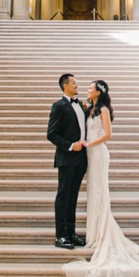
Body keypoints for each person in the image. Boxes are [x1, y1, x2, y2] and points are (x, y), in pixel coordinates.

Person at [62, 81, 139, 277]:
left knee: (99, 192)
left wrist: (89, 144)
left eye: (90, 87)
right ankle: (94, 234)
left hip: (99, 154)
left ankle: (100, 234)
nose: (87, 89)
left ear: (98, 92)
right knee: (93, 193)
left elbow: (108, 134)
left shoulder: (102, 109)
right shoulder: (90, 108)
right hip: (90, 155)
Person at [46, 73, 87, 250]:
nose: (77, 85)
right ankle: (61, 235)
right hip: (67, 157)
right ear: (65, 86)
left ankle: (71, 232)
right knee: (63, 196)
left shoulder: (79, 105)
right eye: (74, 83)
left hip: (81, 159)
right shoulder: (59, 106)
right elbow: (51, 134)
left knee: (73, 197)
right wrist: (70, 146)